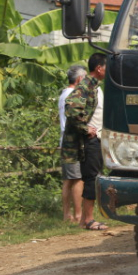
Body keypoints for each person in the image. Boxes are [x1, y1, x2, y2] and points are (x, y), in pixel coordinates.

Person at [64, 53, 108, 231]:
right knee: (91, 179)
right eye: (107, 66)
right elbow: (71, 107)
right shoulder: (86, 85)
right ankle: (88, 219)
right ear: (99, 68)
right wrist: (85, 128)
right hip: (90, 142)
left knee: (93, 178)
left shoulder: (96, 86)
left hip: (97, 139)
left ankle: (86, 219)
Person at [58, 65, 86, 222]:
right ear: (80, 79)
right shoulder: (74, 95)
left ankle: (66, 215)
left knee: (68, 179)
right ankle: (78, 215)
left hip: (65, 140)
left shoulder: (64, 94)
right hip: (72, 141)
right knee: (77, 178)